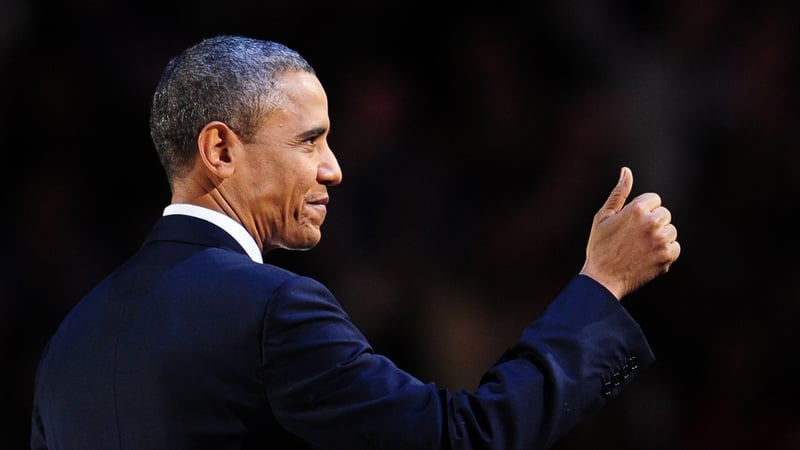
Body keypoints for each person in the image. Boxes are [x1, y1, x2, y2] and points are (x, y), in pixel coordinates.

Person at [29, 35, 680, 450]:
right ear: (221, 148)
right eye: (310, 140)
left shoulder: (68, 344)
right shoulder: (271, 310)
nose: (334, 168)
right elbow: (466, 440)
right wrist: (601, 285)